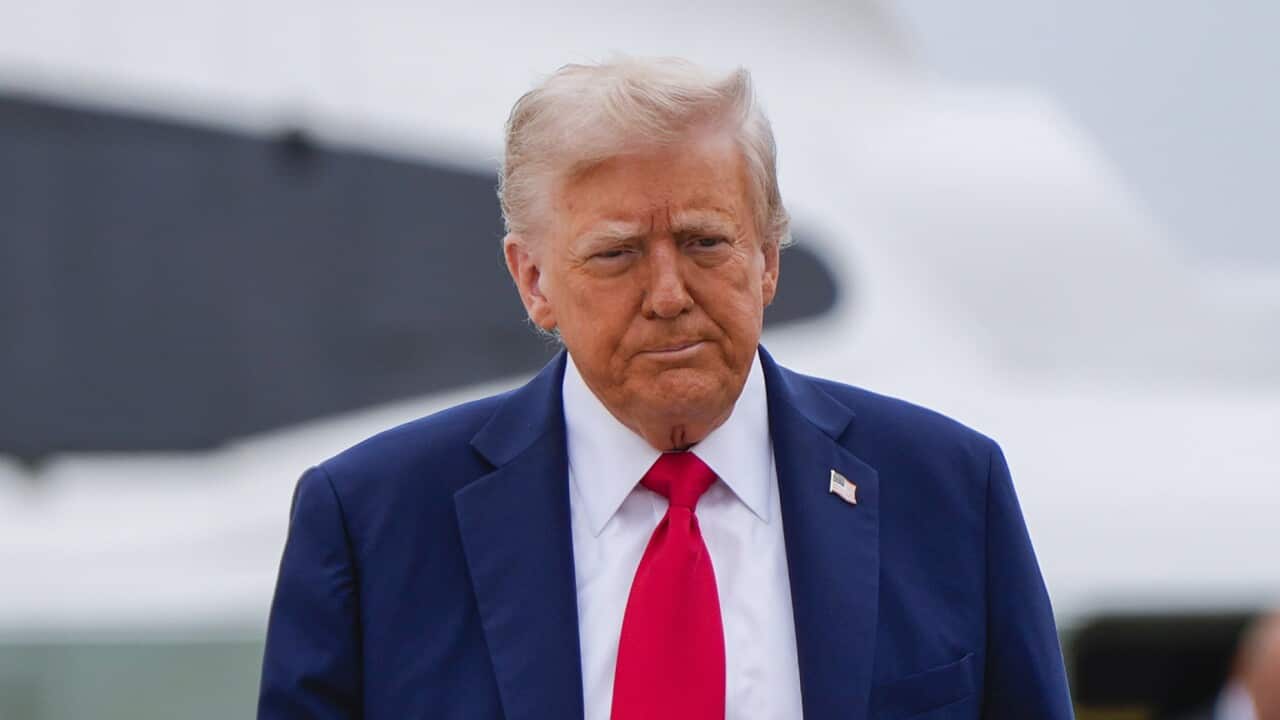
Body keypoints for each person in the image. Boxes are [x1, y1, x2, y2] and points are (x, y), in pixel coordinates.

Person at [257, 57, 1073, 719]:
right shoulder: (375, 523)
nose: (669, 293)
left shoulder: (950, 493)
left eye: (704, 241)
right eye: (616, 254)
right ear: (533, 278)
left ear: (768, 260)